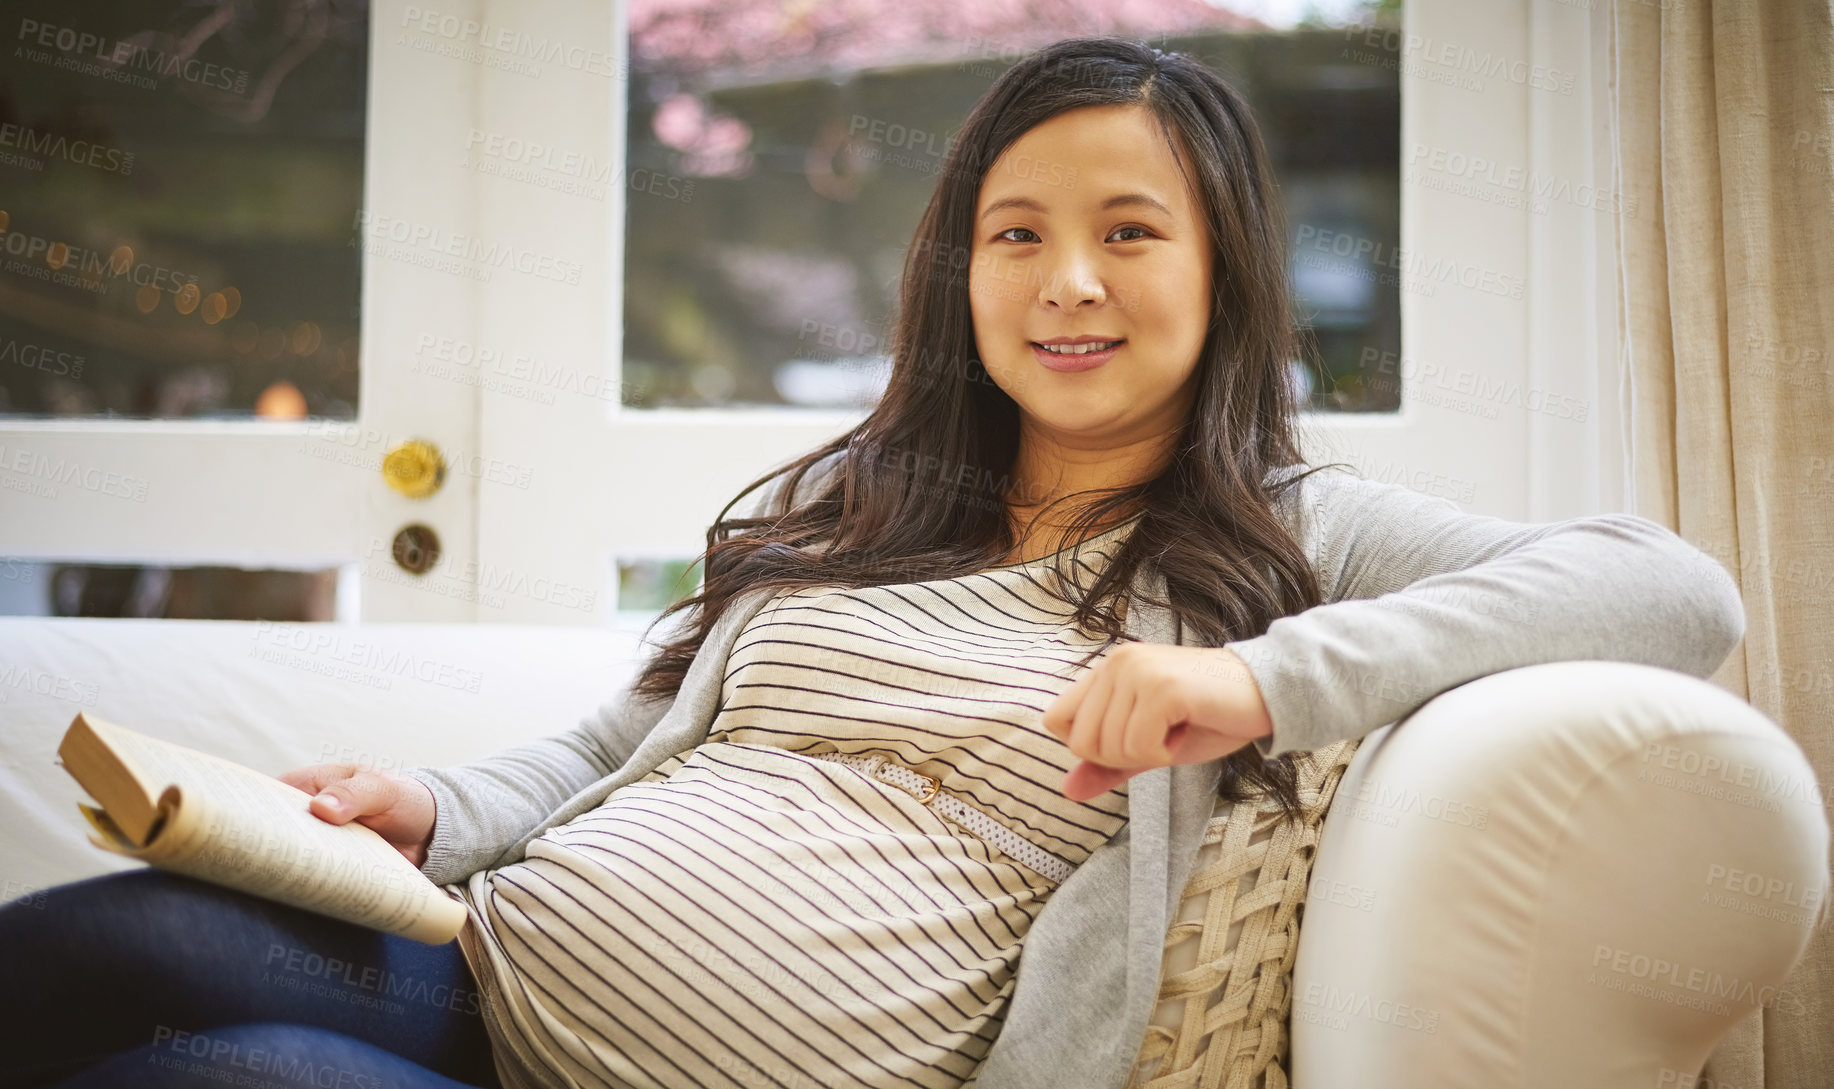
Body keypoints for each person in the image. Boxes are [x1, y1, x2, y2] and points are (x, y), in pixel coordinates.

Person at [0, 34, 1745, 1089]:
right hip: (483, 973)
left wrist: (1250, 676)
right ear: (959, 270)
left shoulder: (1288, 530)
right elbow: (624, 742)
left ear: (1221, 276)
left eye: (1129, 233)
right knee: (99, 953)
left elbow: (1667, 589)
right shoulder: (864, 497)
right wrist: (435, 808)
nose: (1067, 282)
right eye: (1017, 233)